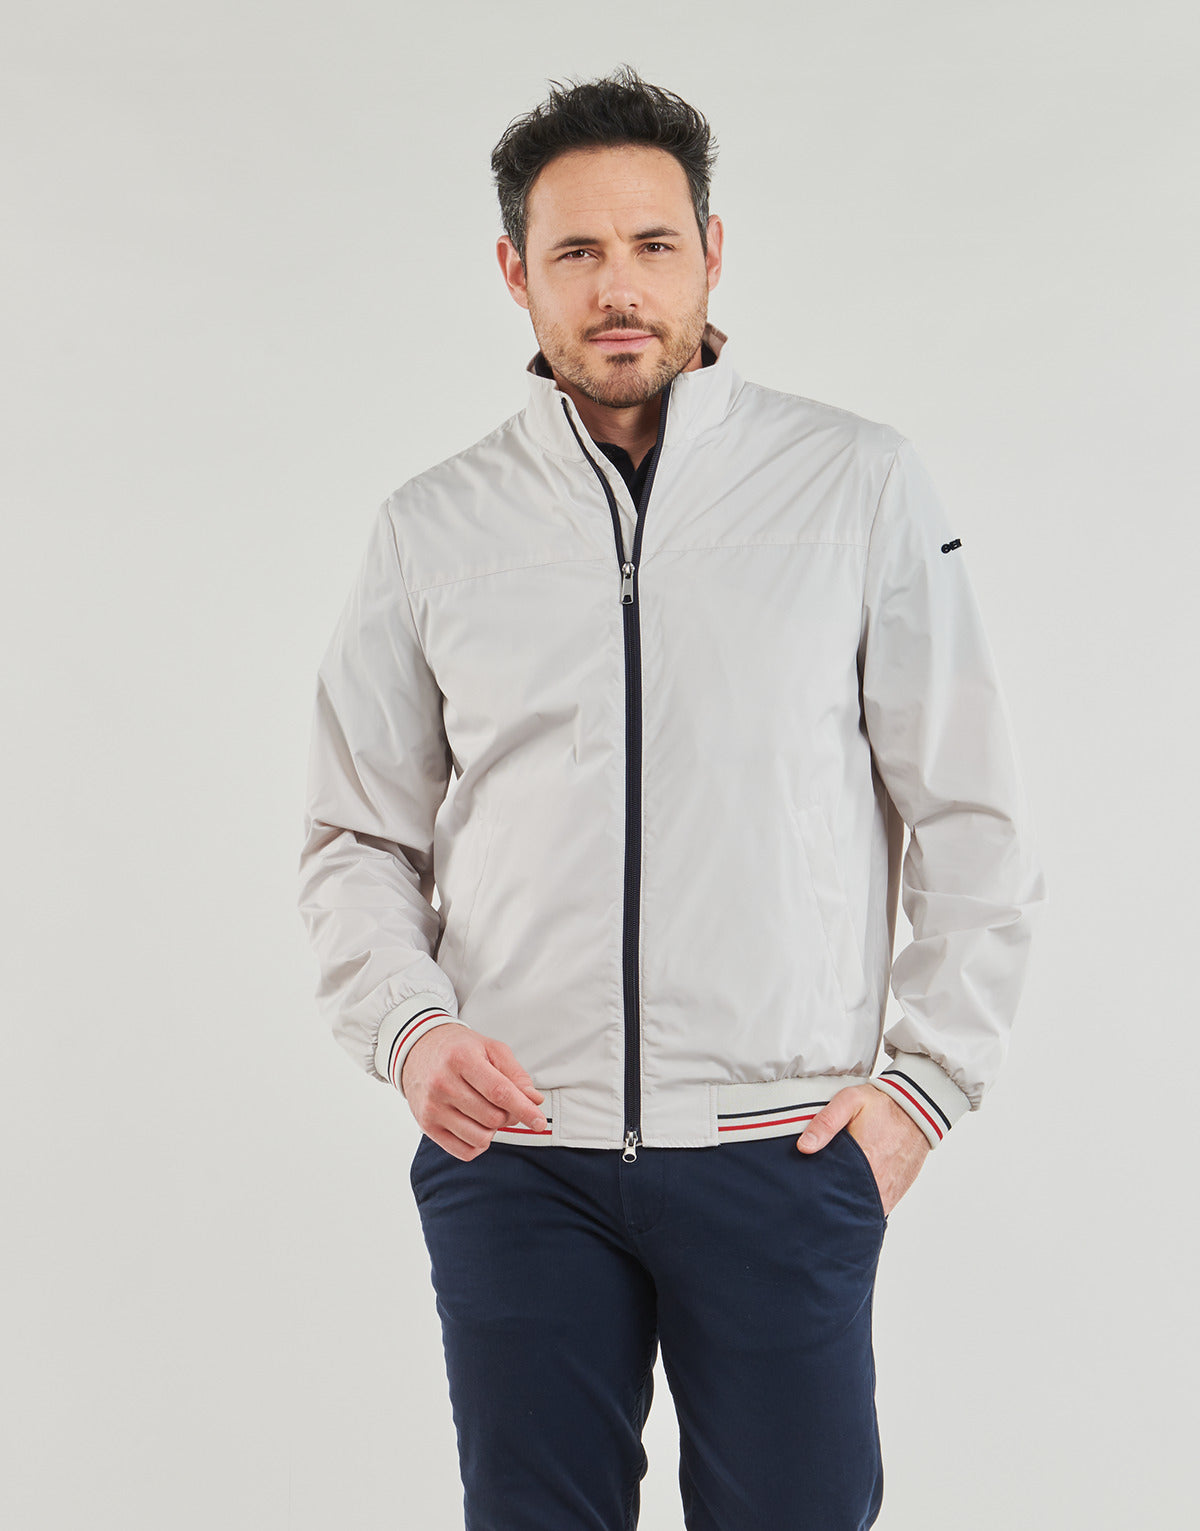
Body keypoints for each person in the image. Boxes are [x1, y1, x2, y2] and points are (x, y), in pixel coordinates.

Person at [297, 64, 1047, 1531]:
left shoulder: (857, 486)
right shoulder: (433, 528)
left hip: (783, 1151)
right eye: (575, 251)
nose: (618, 287)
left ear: (712, 251)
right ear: (515, 273)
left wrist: (926, 1090)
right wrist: (409, 1029)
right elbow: (355, 835)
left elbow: (972, 814)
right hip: (518, 1157)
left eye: (653, 244)